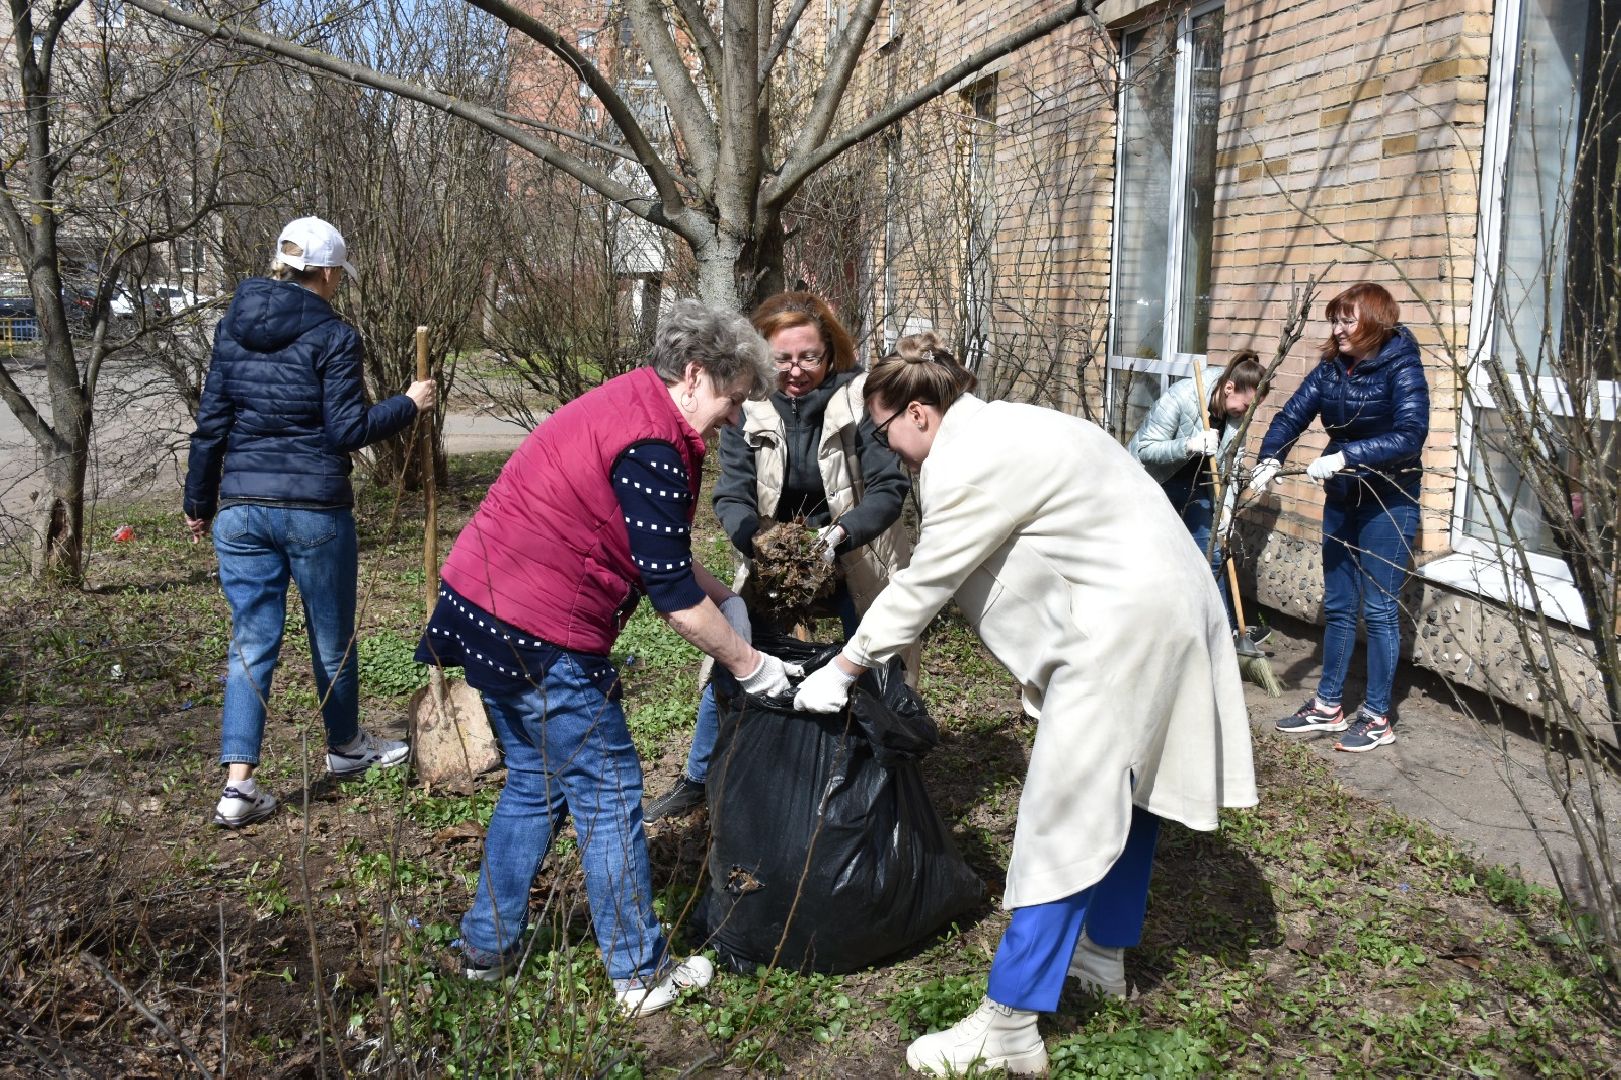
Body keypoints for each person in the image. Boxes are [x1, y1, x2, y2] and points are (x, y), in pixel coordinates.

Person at [792, 334, 1257, 1076]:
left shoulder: (968, 459)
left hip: (1120, 633)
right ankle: (1100, 956)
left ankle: (1009, 1022)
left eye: (882, 433)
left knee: (1062, 814)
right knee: (1134, 788)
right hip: (1171, 609)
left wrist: (846, 666)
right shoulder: (1019, 423)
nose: (888, 451)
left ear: (918, 412)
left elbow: (926, 580)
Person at [414, 300, 800, 1017]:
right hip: (537, 630)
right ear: (694, 375)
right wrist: (751, 664)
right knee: (608, 791)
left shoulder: (630, 404)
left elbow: (656, 551)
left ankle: (485, 948)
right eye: (733, 398)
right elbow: (673, 597)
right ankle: (637, 972)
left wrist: (728, 599)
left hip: (481, 606)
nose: (734, 418)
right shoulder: (654, 443)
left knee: (536, 782)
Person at [184, 216, 436, 830]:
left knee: (250, 643)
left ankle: (238, 787)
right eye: (337, 274)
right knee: (331, 637)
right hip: (314, 510)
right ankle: (345, 747)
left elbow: (212, 423)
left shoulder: (231, 327)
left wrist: (199, 502)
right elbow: (347, 430)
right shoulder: (334, 335)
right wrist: (409, 403)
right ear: (325, 272)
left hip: (241, 510)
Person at [644, 291, 913, 821]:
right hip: (778, 556)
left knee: (878, 658)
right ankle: (698, 775)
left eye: (809, 357)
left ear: (830, 353)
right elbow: (732, 493)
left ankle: (890, 771)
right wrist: (758, 540)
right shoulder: (748, 404)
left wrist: (840, 535)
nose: (795, 371)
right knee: (733, 652)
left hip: (854, 551)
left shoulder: (860, 399)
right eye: (782, 358)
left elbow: (888, 488)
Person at [1247, 282, 1430, 752]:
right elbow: (1292, 415)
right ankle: (1329, 705)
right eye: (1335, 320)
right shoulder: (1331, 368)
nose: (1338, 329)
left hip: (1388, 500)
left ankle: (1377, 717)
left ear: (1374, 322)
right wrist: (1270, 457)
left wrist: (1348, 455)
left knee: (1379, 609)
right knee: (1340, 605)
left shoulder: (1402, 365)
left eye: (1348, 320)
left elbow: (1410, 435)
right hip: (1344, 496)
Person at [1127, 351, 1266, 634]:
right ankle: (1142, 629)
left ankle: (1224, 635)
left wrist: (1226, 508)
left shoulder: (1238, 416)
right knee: (1153, 557)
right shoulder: (1183, 395)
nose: (1246, 412)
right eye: (1246, 404)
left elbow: (1231, 465)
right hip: (1154, 483)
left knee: (1211, 556)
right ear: (1229, 388)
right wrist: (1189, 445)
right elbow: (1145, 450)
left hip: (1198, 488)